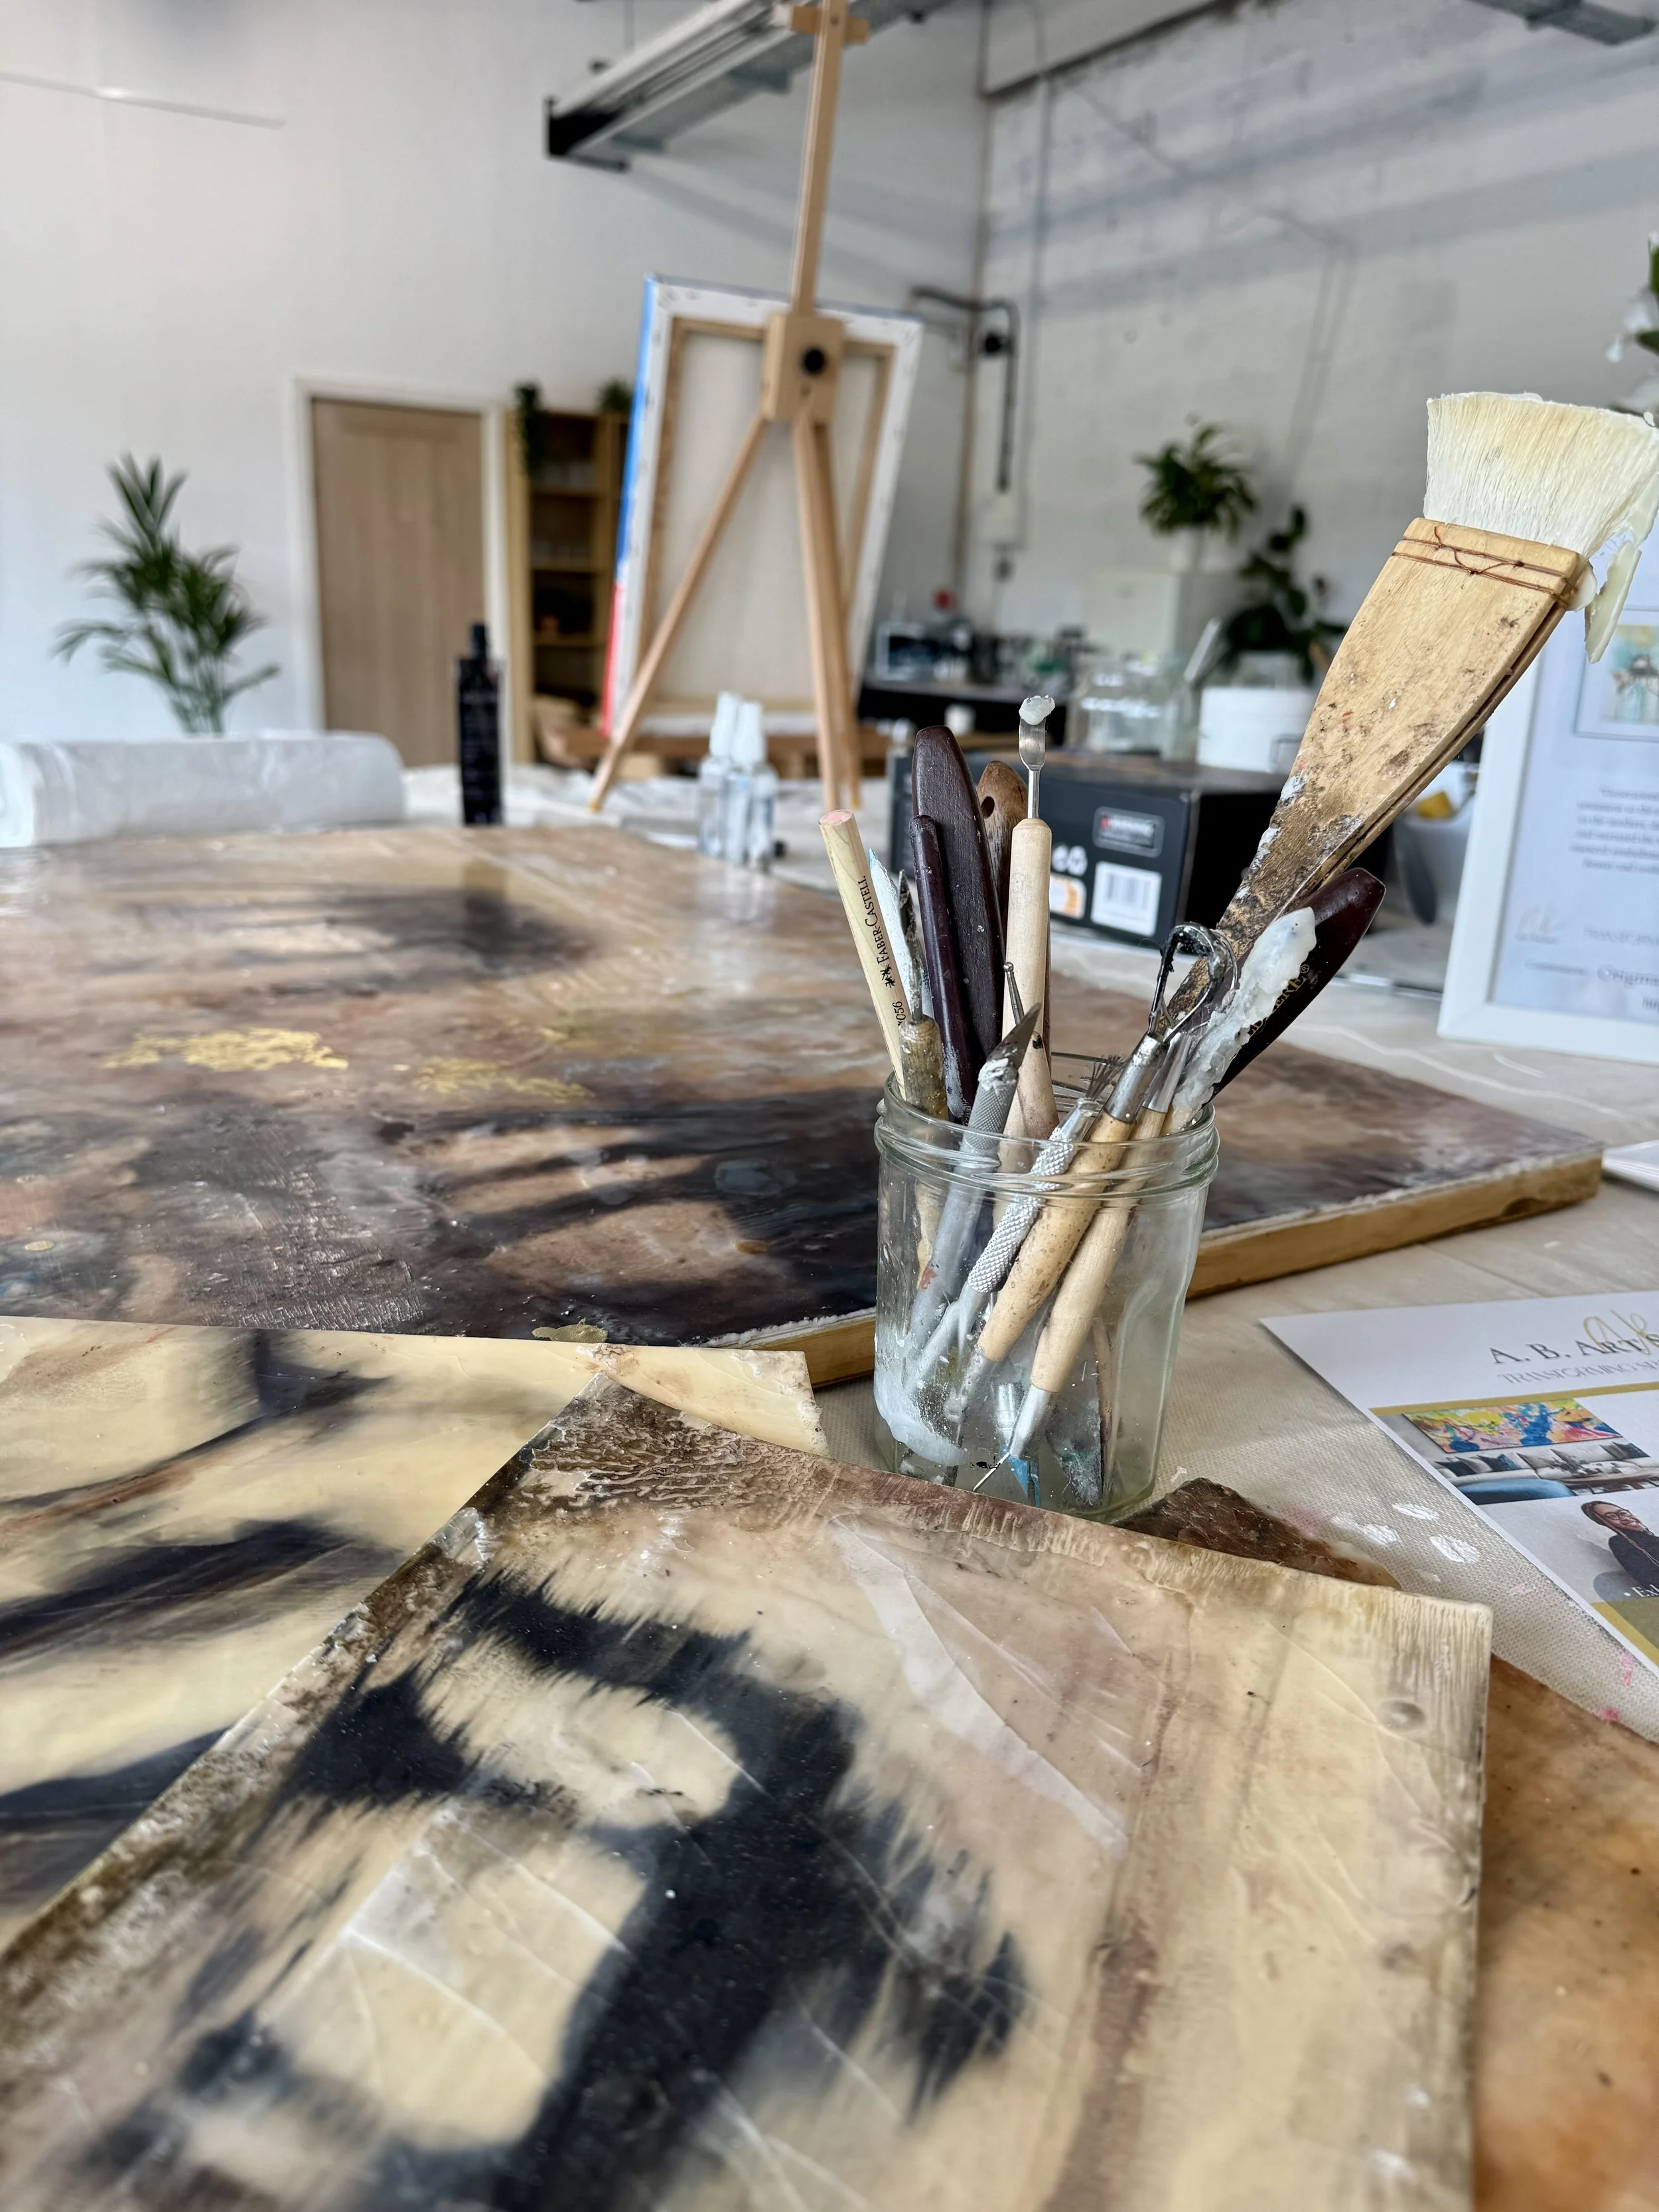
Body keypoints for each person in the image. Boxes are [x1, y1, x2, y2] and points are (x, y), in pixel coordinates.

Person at [1582, 1499, 1659, 1593]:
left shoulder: (1654, 1539)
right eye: (1613, 1517)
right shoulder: (1619, 1543)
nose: (1625, 1518)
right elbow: (1648, 1578)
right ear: (1604, 1522)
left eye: (1623, 1513)